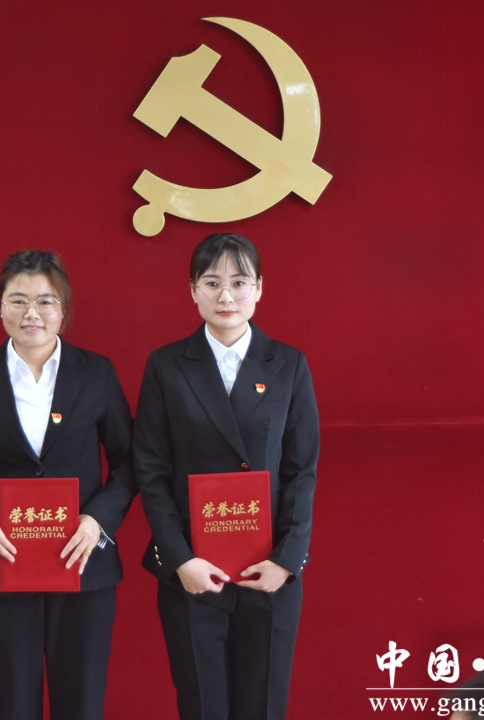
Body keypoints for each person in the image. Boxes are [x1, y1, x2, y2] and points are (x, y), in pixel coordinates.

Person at [0, 249, 137, 720]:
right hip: (4, 564)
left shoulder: (96, 372)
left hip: (83, 563)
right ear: (1, 308)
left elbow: (130, 461)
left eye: (45, 301)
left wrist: (97, 521)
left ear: (63, 309)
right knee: (13, 704)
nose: (31, 313)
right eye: (18, 300)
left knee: (80, 704)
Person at [133, 233, 319, 720]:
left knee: (263, 707)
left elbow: (301, 471)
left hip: (268, 571)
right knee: (202, 706)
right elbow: (151, 470)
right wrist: (180, 559)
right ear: (193, 290)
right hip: (193, 572)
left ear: (259, 288)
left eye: (239, 282)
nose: (226, 295)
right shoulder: (166, 365)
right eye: (212, 282)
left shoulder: (289, 364)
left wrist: (287, 560)